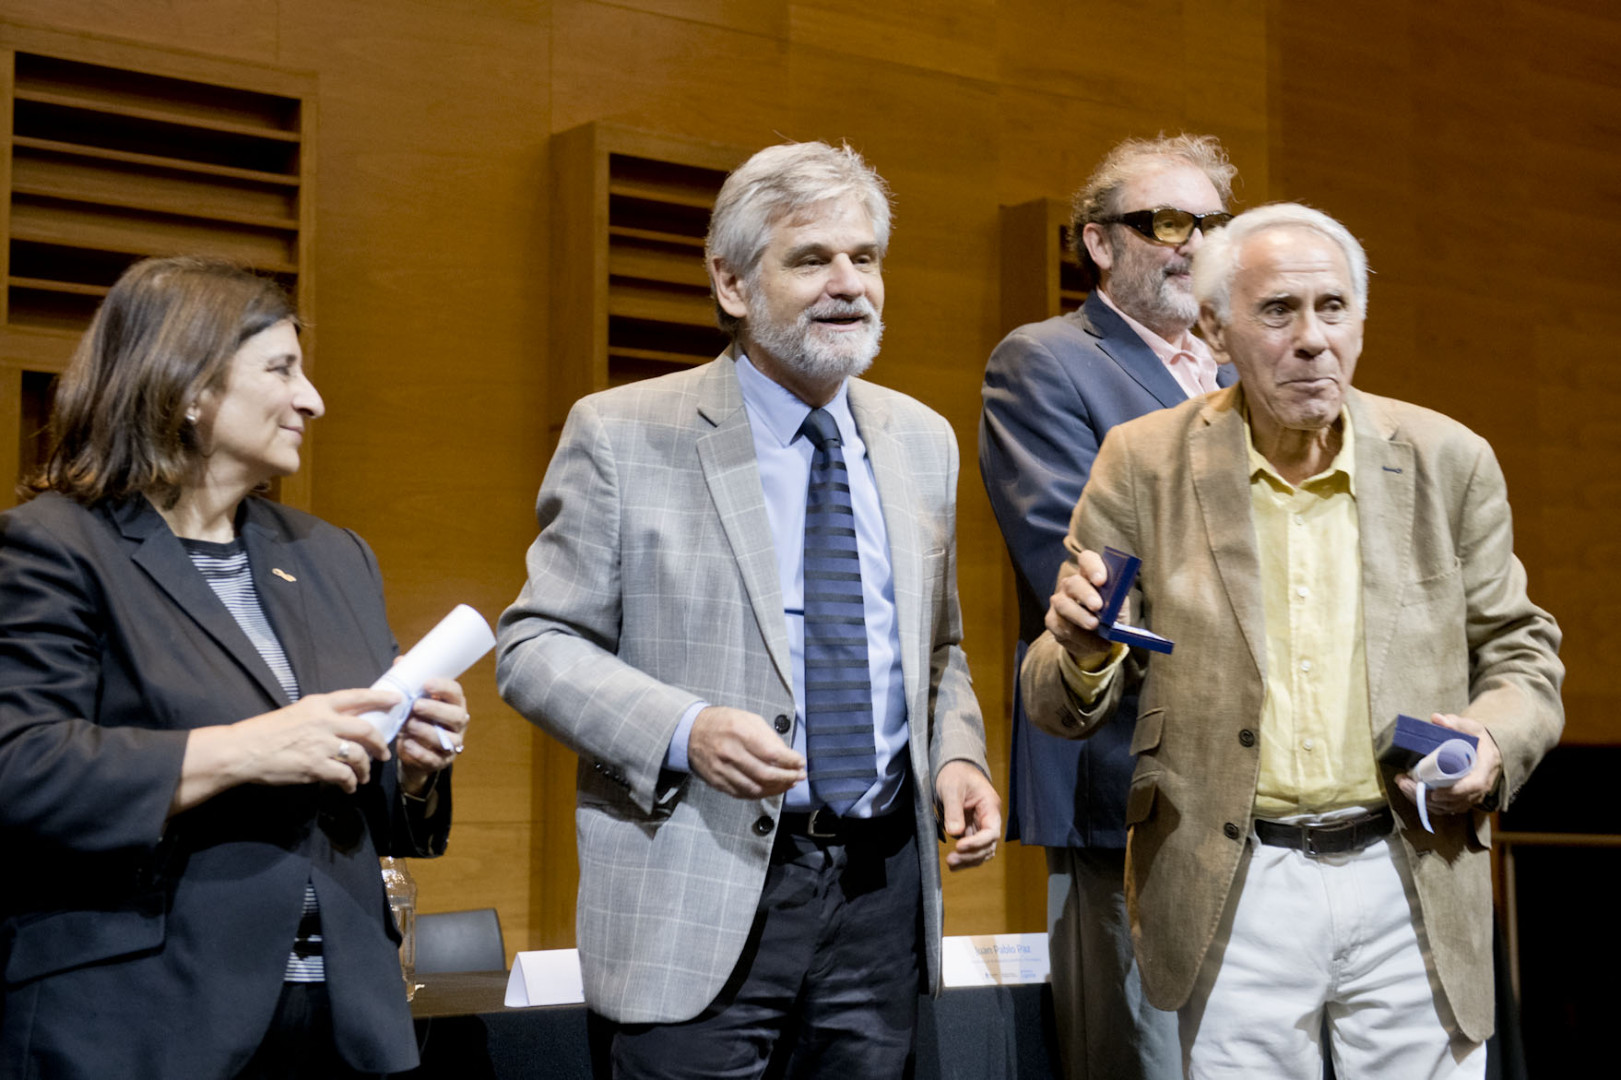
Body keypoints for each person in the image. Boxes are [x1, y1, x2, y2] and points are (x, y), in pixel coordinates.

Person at [1020, 204, 1563, 1078]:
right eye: (1277, 311)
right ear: (1214, 328)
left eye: (1332, 308)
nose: (1311, 339)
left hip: (1409, 869)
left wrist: (1492, 739)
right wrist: (1082, 648)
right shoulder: (1142, 462)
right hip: (1233, 880)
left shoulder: (1446, 458)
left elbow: (1520, 652)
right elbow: (1055, 698)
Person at [497, 140, 1000, 1078]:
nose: (848, 283)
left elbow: (938, 651)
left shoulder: (921, 440)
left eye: (865, 258)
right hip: (698, 891)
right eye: (810, 259)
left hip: (877, 895)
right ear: (731, 284)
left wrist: (958, 752)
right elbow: (534, 645)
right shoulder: (622, 432)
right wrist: (684, 729)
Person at [0, 256, 470, 1078]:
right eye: (282, 369)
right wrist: (251, 747)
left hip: (343, 1024)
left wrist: (418, 765)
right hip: (140, 1019)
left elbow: (377, 808)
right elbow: (21, 765)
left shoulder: (332, 556)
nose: (312, 399)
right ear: (187, 387)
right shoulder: (53, 546)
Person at [978, 133, 1235, 1080]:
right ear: (1097, 242)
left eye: (1210, 222)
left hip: (1260, 781)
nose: (1192, 243)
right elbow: (1077, 562)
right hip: (1122, 765)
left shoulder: (1246, 373)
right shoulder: (1044, 361)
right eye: (1165, 221)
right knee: (1142, 1059)